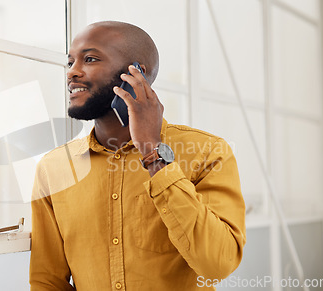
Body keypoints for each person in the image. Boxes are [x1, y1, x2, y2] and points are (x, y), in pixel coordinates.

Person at [29, 20, 246, 290]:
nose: (72, 72)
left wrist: (153, 152)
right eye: (70, 61)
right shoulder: (53, 168)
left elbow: (217, 265)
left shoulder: (207, 152)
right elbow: (47, 280)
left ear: (135, 73)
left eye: (90, 59)